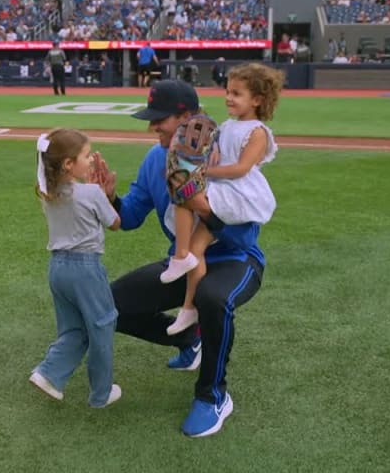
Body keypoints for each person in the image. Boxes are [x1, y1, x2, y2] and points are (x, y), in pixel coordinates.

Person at [90, 79, 266, 438]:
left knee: (212, 298)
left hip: (235, 259)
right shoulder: (156, 158)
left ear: (186, 117)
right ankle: (189, 340)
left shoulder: (225, 155)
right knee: (106, 306)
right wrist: (109, 198)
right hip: (183, 263)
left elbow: (239, 230)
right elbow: (131, 217)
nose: (153, 126)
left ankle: (212, 396)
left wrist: (201, 205)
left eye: (161, 119)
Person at [160, 63, 281, 336]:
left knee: (184, 195)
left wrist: (203, 171)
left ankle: (179, 257)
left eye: (237, 94)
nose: (228, 98)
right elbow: (214, 149)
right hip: (221, 186)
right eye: (228, 91)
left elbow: (240, 169)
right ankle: (189, 308)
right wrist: (207, 154)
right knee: (196, 250)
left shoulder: (257, 131)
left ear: (257, 100)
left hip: (238, 192)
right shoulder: (227, 125)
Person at [30, 128, 123, 408]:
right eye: (85, 155)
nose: (91, 160)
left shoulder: (49, 193)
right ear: (69, 164)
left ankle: (50, 374)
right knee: (102, 325)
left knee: (73, 328)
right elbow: (115, 223)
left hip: (58, 268)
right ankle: (100, 393)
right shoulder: (91, 192)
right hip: (86, 267)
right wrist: (104, 194)